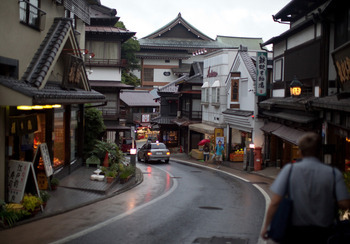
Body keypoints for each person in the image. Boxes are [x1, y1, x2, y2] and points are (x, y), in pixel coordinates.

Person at [261, 132, 350, 244]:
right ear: (320, 151)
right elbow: (345, 203)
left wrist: (267, 226)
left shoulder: (290, 170)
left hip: (295, 232)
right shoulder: (333, 173)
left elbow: (275, 202)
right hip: (324, 233)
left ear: (300, 152)